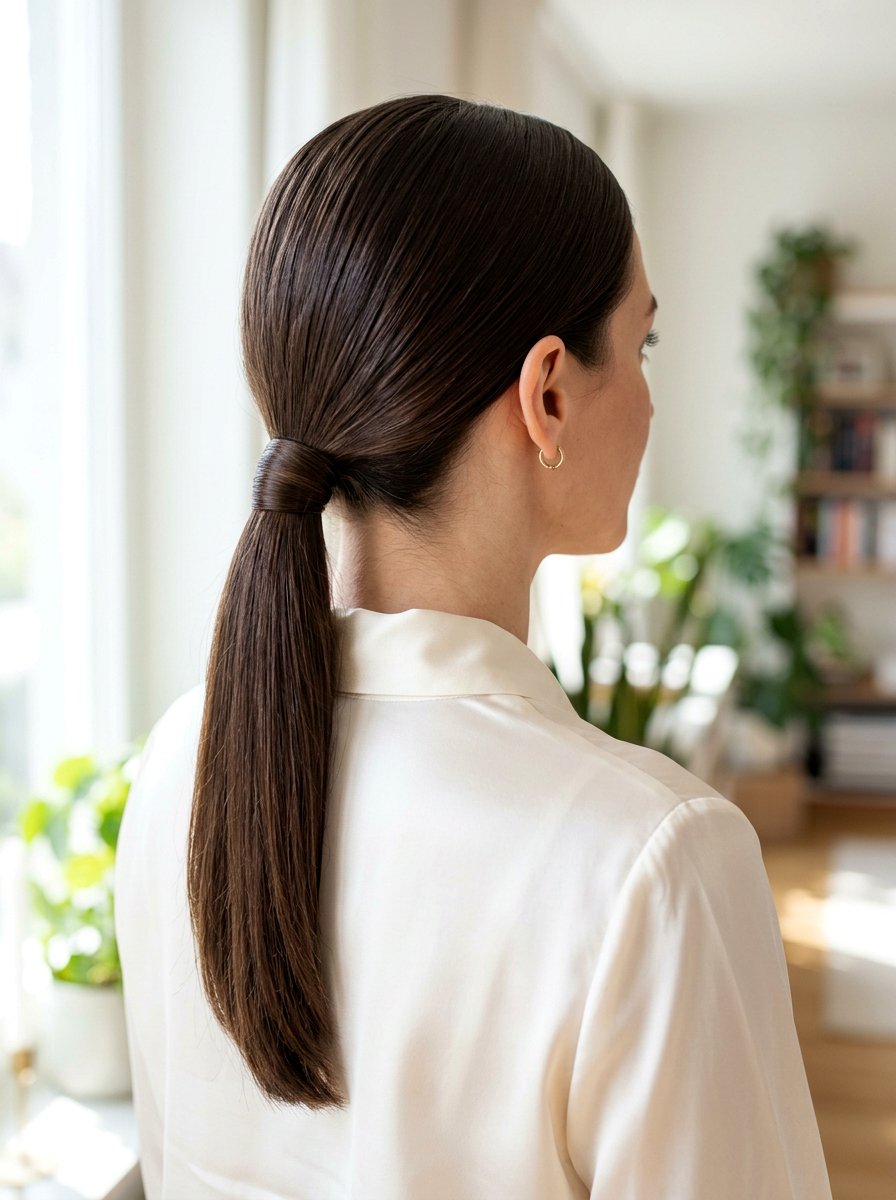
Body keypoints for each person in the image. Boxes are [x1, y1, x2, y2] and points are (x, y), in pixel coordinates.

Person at [113, 93, 832, 1199]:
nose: (646, 398)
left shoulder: (178, 765)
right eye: (639, 343)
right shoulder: (651, 862)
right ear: (546, 392)